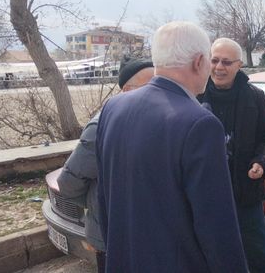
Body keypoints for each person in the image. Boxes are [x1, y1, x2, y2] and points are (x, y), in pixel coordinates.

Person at [96, 22, 247, 273]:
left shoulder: (113, 108)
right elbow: (217, 225)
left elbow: (105, 197)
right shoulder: (200, 123)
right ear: (199, 62)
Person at [57, 57, 154, 272]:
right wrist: (98, 204)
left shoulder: (155, 121)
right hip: (110, 233)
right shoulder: (101, 126)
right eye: (149, 87)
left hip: (145, 232)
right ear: (127, 89)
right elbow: (69, 182)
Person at [197, 38, 265, 273]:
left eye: (226, 62)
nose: (219, 67)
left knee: (259, 259)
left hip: (246, 195)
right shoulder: (195, 97)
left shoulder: (254, 97)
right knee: (213, 259)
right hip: (207, 196)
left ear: (239, 65)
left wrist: (260, 162)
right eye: (214, 60)